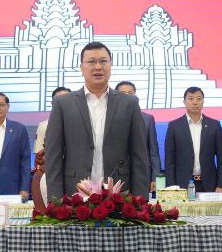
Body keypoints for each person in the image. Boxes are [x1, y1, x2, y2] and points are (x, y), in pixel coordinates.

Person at [44, 41, 150, 199]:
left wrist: (140, 201)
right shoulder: (63, 104)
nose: (98, 67)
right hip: (75, 194)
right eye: (91, 62)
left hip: (119, 197)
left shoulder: (129, 103)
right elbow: (54, 157)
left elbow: (139, 156)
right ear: (81, 67)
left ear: (111, 65)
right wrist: (56, 201)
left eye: (103, 61)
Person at [164, 86, 222, 193]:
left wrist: (221, 185)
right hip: (182, 184)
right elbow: (169, 160)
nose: (195, 102)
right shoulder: (174, 126)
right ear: (184, 102)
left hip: (210, 185)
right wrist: (171, 186)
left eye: (199, 98)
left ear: (203, 101)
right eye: (191, 98)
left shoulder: (214, 125)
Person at [115, 81, 162, 179]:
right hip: (117, 172)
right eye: (123, 94)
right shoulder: (111, 119)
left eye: (130, 93)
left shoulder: (148, 119)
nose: (127, 97)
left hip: (142, 173)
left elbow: (153, 152)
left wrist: (155, 177)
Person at [33, 87, 70, 204]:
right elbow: (39, 156)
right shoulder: (44, 126)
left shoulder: (83, 124)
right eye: (59, 100)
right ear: (52, 103)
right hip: (52, 176)